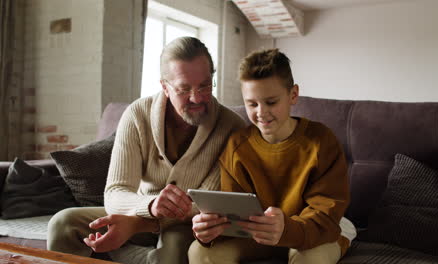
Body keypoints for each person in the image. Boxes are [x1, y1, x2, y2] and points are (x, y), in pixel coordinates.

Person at [47, 37, 245, 264]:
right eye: (183, 89)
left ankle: (132, 253)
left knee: (175, 246)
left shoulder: (232, 127)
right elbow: (116, 191)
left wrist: (138, 224)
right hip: (140, 210)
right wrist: (149, 206)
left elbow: (209, 206)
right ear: (164, 86)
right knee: (63, 223)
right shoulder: (137, 114)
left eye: (205, 85)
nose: (197, 98)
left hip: (185, 224)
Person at [189, 48, 356, 264]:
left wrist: (286, 229)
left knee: (311, 259)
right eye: (252, 104)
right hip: (257, 236)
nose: (261, 113)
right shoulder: (237, 146)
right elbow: (232, 216)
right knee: (199, 252)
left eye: (271, 102)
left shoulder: (321, 141)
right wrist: (208, 231)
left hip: (310, 234)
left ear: (293, 95)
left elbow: (326, 215)